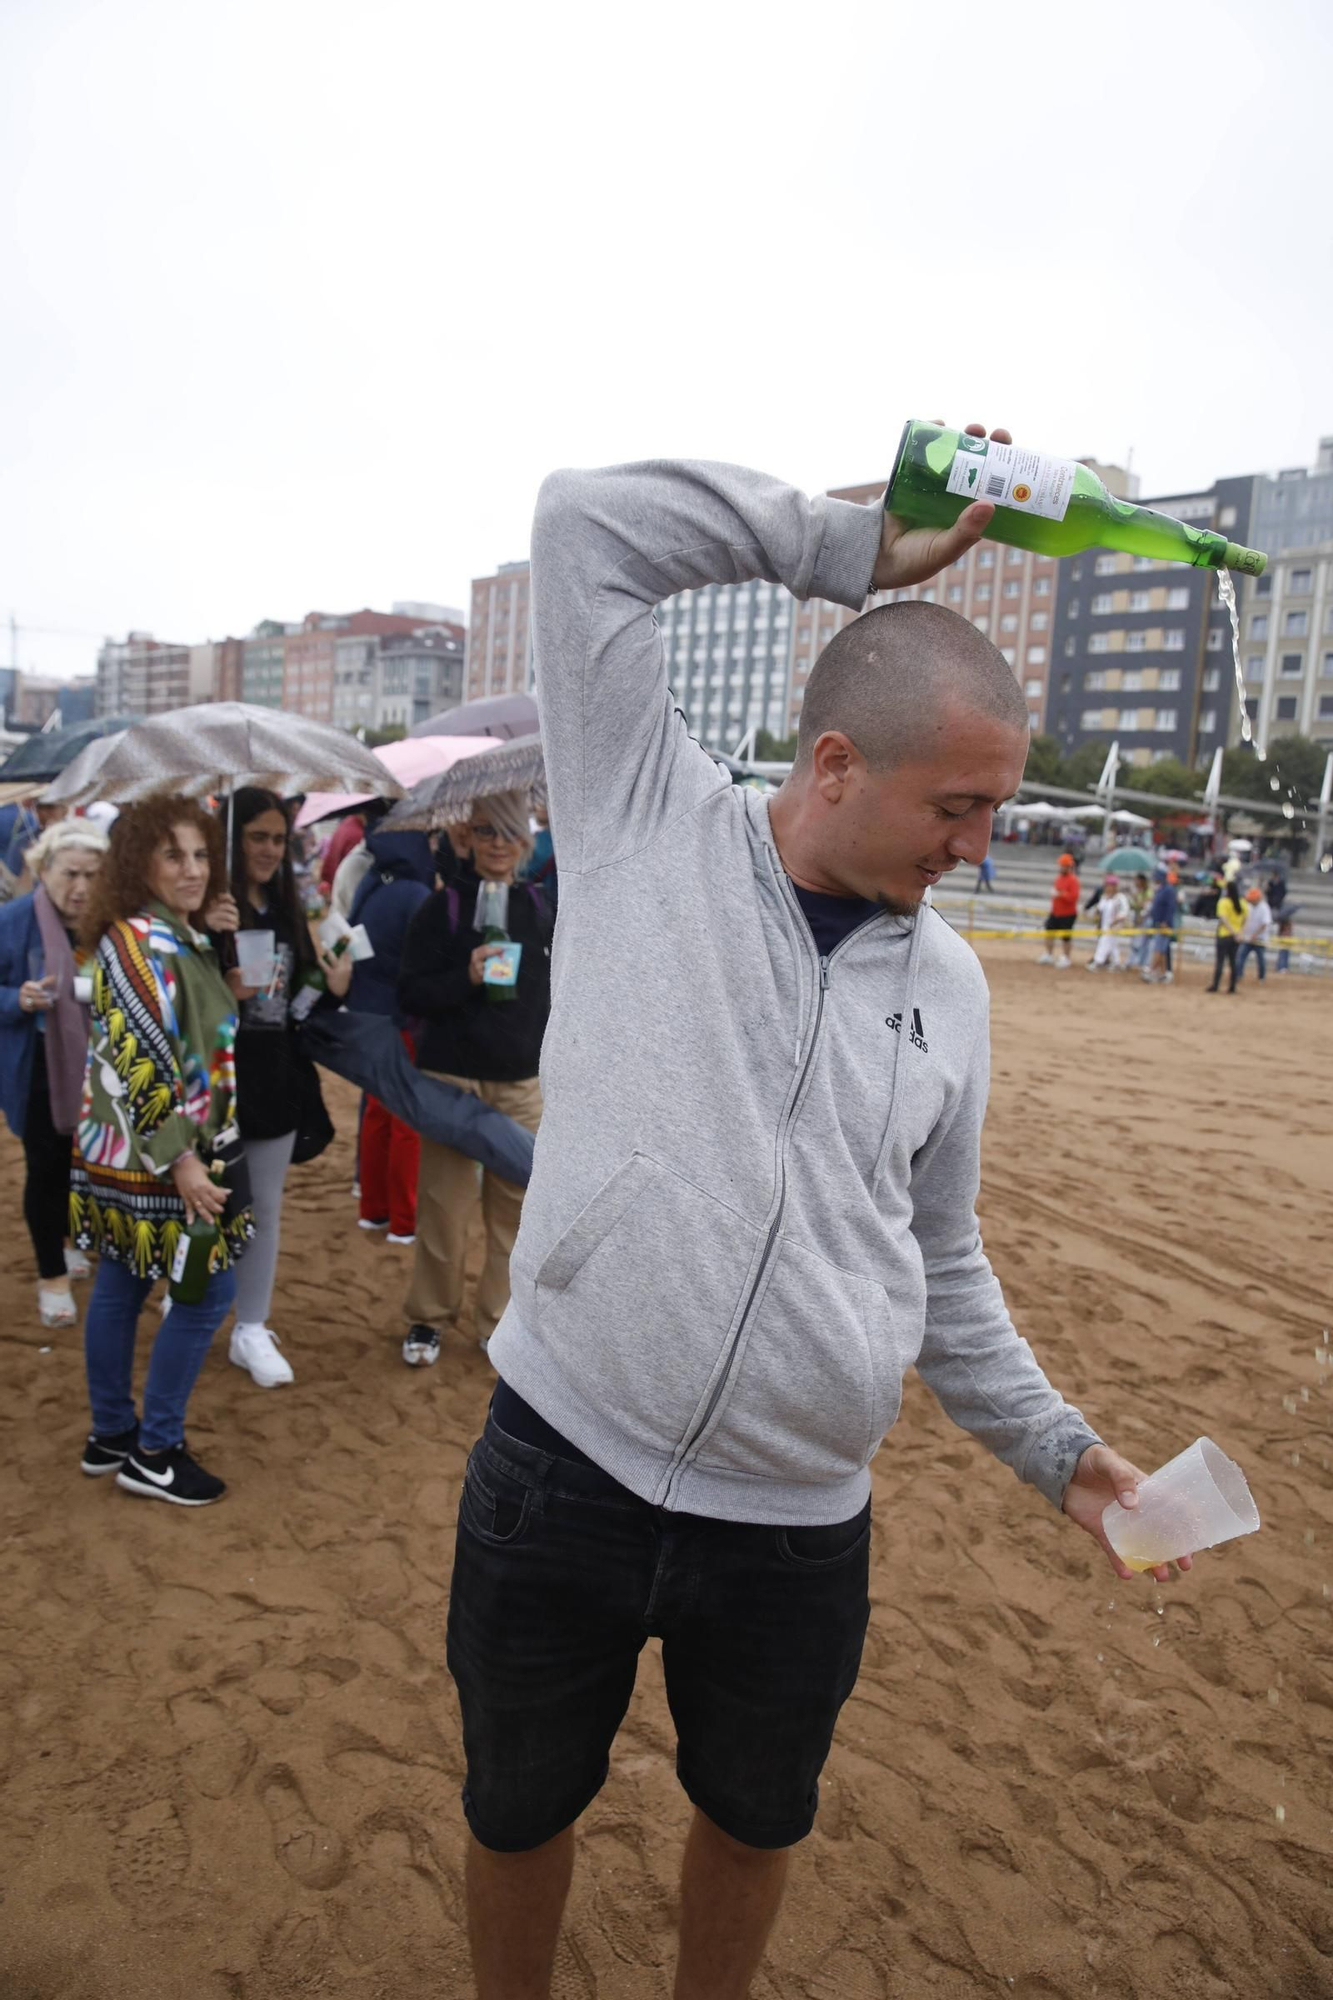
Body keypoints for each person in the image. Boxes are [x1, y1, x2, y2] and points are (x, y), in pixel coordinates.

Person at [448, 438, 1188, 2000]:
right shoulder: (650, 815)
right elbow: (586, 522)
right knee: (518, 1806)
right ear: (837, 762)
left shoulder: (954, 988)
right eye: (961, 804)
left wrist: (1058, 1448)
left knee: (755, 1815)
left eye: (1000, 807)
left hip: (795, 1521)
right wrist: (854, 548)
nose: (983, 844)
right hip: (562, 1461)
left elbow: (938, 1254)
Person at [71, 794, 255, 1507]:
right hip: (161, 1156)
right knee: (208, 1294)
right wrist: (181, 1161)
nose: (192, 868)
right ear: (137, 860)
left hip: (127, 1151)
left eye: (202, 853)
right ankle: (154, 1450)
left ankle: (112, 1433)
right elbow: (139, 1057)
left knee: (120, 1285)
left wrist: (213, 947)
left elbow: (195, 1032)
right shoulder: (140, 942)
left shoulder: (163, 934)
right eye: (173, 854)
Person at [398, 790, 550, 1368]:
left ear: (526, 841)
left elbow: (559, 994)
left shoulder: (543, 907)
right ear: (467, 836)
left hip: (518, 1081)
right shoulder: (444, 909)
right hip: (452, 1080)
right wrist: (464, 974)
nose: (498, 845)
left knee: (514, 1211)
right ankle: (428, 1317)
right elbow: (411, 994)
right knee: (443, 1205)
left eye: (510, 833)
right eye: (486, 831)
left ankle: (496, 1323)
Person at [210, 788, 347, 1389]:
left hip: (272, 1073)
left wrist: (331, 980)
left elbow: (294, 997)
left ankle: (251, 1327)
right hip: (210, 1076)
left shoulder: (285, 905)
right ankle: (189, 1295)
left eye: (276, 838)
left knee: (262, 1206)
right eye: (256, 837)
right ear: (231, 840)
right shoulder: (204, 907)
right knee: (203, 1200)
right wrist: (208, 938)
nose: (267, 849)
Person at [0, 818, 110, 1325]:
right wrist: (14, 999)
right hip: (41, 1068)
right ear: (43, 870)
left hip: (103, 1067)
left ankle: (69, 1240)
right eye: (69, 874)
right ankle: (51, 1275)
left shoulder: (112, 922)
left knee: (85, 1167)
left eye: (92, 874)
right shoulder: (15, 920)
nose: (81, 887)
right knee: (46, 1169)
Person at [347, 823, 436, 1244]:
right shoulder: (416, 895)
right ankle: (403, 1221)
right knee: (405, 1123)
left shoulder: (371, 884)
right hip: (401, 1021)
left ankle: (373, 1210)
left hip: (366, 1015)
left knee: (376, 1116)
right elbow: (427, 961)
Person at [1037, 852, 1080, 966]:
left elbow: (1074, 897)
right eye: (1061, 865)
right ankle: (1049, 954)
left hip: (1068, 913)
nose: (1061, 867)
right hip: (1056, 912)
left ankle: (1066, 957)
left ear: (1068, 867)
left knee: (1066, 937)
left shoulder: (1073, 880)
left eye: (1063, 865)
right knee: (1049, 933)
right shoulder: (1058, 879)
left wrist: (1061, 894)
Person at [1207, 877, 1246, 994]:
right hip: (1236, 937)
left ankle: (1215, 985)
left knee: (1220, 961)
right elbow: (1246, 919)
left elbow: (1223, 919)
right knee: (1233, 962)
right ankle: (1232, 986)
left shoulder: (1224, 902)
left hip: (1224, 935)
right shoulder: (1242, 903)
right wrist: (1239, 933)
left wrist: (1233, 931)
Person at [1142, 868, 1179, 985]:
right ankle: (1163, 973)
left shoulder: (1168, 890)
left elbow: (1170, 908)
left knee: (1159, 949)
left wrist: (1165, 922)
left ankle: (1152, 970)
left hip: (1163, 924)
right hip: (1158, 923)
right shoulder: (1161, 889)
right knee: (1161, 949)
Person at [1088, 873, 1131, 971]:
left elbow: (1124, 911)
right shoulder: (1105, 897)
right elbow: (1100, 910)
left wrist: (1116, 920)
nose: (1107, 888)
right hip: (1104, 924)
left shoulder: (1120, 898)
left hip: (1114, 925)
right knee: (1113, 944)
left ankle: (1098, 961)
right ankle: (1116, 963)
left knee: (1105, 942)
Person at [1235, 884, 1273, 986]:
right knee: (1240, 957)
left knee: (1261, 959)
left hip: (1260, 939)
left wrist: (1255, 935)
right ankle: (1238, 975)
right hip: (1247, 938)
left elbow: (1265, 924)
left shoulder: (1264, 908)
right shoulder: (1247, 906)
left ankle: (1261, 977)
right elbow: (1243, 920)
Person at [1127, 871, 1152, 969]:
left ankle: (1141, 962)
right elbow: (1134, 905)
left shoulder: (1148, 891)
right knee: (1135, 941)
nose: (1135, 882)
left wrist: (1136, 899)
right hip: (1137, 918)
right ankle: (1133, 961)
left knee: (1142, 942)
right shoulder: (1138, 892)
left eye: (1137, 880)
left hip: (1145, 919)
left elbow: (1145, 904)